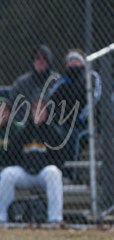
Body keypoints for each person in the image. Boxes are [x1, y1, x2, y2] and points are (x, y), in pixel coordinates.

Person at [0, 96, 65, 225]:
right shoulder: (22, 132)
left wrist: (40, 164)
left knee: (54, 172)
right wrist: (26, 165)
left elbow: (60, 159)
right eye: (35, 108)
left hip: (43, 173)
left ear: (47, 112)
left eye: (42, 109)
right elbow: (11, 155)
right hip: (25, 173)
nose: (38, 112)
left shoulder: (54, 133)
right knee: (7, 174)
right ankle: (1, 219)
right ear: (31, 112)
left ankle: (55, 219)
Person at [47, 49, 101, 181]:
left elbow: (95, 99)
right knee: (56, 133)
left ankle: (71, 174)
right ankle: (57, 173)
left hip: (85, 123)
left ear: (82, 63)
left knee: (73, 136)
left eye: (76, 60)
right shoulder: (63, 80)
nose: (73, 63)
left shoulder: (91, 76)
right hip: (65, 122)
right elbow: (50, 99)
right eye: (70, 60)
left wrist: (81, 117)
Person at [9, 44, 60, 122]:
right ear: (33, 61)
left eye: (44, 58)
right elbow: (14, 106)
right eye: (37, 58)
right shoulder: (22, 83)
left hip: (52, 124)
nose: (40, 62)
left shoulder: (56, 81)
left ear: (49, 61)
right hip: (26, 124)